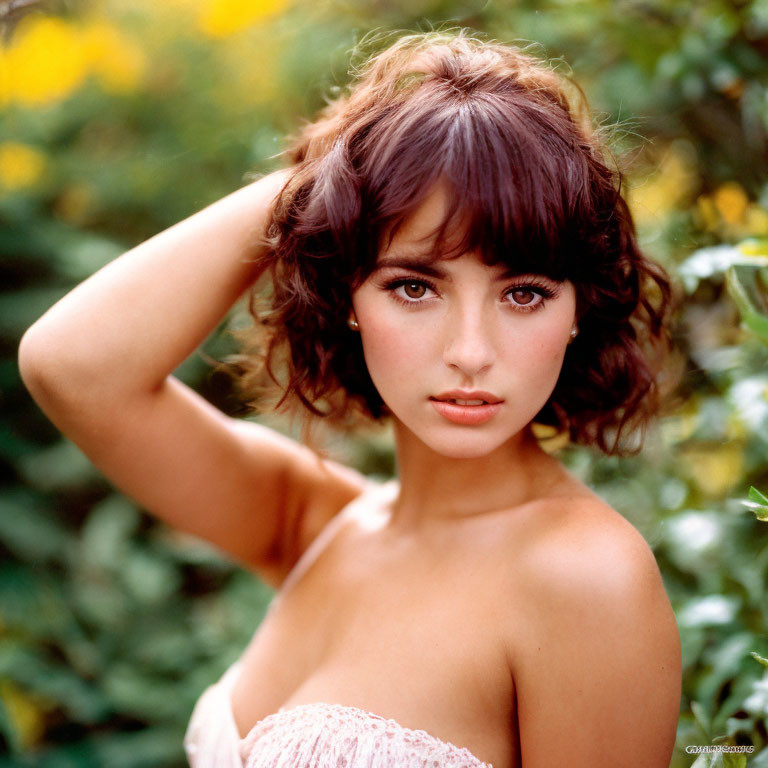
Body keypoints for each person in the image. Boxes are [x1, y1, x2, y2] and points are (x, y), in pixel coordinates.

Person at [18, 28, 683, 768]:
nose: (470, 350)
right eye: (414, 286)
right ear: (349, 296)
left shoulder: (586, 579)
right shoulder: (311, 524)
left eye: (524, 292)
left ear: (578, 310)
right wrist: (336, 178)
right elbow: (71, 366)